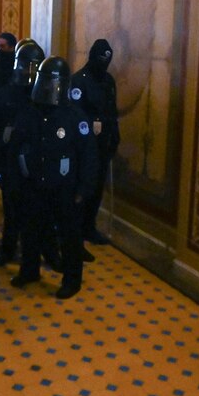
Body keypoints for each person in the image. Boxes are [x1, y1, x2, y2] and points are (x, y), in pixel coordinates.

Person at [6, 57, 98, 299]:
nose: (48, 89)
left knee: (70, 236)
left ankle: (72, 279)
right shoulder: (29, 113)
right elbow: (15, 149)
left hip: (65, 188)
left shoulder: (76, 118)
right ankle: (30, 270)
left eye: (53, 83)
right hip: (34, 184)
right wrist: (14, 182)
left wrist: (83, 189)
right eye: (45, 82)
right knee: (31, 231)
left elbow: (89, 157)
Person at [0, 39, 60, 269]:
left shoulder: (45, 95)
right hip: (11, 159)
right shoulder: (7, 93)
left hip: (39, 160)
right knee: (12, 208)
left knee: (45, 210)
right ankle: (8, 249)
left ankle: (48, 252)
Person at [69, 39, 120, 245]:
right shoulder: (79, 81)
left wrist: (115, 134)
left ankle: (89, 226)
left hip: (103, 144)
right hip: (84, 145)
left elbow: (111, 110)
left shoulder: (108, 81)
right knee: (83, 187)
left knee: (97, 187)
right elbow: (75, 113)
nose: (104, 64)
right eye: (101, 59)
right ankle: (75, 227)